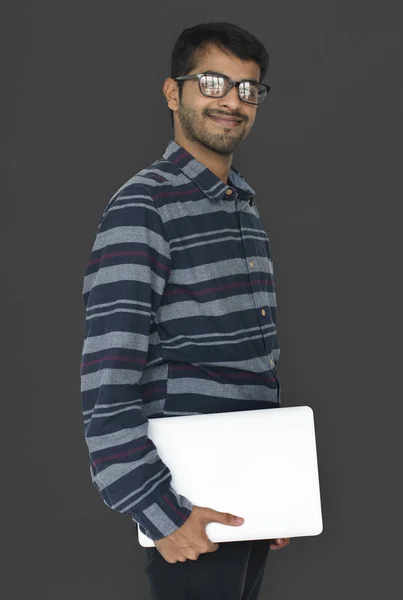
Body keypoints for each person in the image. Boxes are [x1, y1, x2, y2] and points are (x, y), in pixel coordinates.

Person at [80, 21, 288, 600]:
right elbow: (107, 379)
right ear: (174, 93)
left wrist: (274, 485)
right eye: (214, 82)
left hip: (246, 496)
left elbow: (249, 367)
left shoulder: (240, 205)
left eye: (248, 89)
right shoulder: (143, 206)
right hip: (185, 503)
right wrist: (155, 509)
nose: (233, 101)